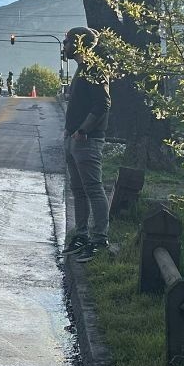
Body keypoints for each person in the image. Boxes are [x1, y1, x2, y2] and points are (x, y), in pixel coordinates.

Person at [60, 27, 111, 263]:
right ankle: (81, 235)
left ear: (79, 44)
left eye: (68, 41)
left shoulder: (94, 68)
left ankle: (99, 239)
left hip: (87, 140)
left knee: (93, 188)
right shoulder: (82, 68)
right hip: (74, 138)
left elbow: (103, 104)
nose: (64, 45)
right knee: (78, 190)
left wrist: (83, 130)